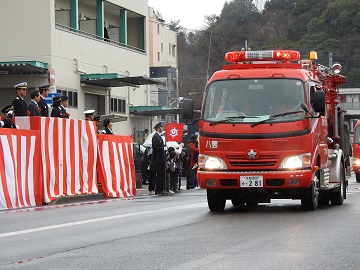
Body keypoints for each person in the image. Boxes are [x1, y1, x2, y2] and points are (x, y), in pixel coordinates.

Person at [151, 122, 166, 195]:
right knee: (159, 175)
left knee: (161, 174)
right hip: (157, 159)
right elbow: (155, 147)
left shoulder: (159, 136)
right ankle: (158, 190)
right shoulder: (155, 137)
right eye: (161, 127)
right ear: (158, 128)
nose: (162, 128)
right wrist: (163, 148)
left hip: (161, 158)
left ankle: (161, 189)